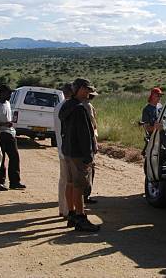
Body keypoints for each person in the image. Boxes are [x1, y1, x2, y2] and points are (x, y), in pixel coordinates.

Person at [58, 78, 100, 232]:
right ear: (80, 89)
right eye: (87, 90)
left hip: (68, 151)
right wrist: (88, 156)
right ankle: (81, 218)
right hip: (78, 154)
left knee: (70, 183)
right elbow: (84, 136)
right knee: (79, 186)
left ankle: (71, 214)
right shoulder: (79, 109)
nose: (89, 93)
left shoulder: (66, 106)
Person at [0, 85, 26, 190]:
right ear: (2, 93)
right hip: (0, 134)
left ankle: (15, 182)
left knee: (15, 158)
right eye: (8, 93)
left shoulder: (8, 103)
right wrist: (4, 124)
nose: (10, 95)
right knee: (1, 159)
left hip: (10, 134)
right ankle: (0, 182)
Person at [54, 83, 73, 218]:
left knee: (63, 180)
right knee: (70, 182)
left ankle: (62, 208)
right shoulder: (69, 107)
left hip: (61, 148)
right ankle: (68, 210)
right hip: (69, 150)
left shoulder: (58, 106)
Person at [83, 87, 99, 204]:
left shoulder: (79, 104)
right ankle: (86, 195)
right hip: (89, 140)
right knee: (89, 169)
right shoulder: (87, 106)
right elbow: (93, 125)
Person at [140, 87, 164, 155]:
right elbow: (147, 128)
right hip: (154, 135)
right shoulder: (147, 109)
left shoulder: (160, 106)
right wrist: (157, 128)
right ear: (152, 96)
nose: (159, 97)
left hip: (162, 132)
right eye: (158, 95)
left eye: (160, 96)